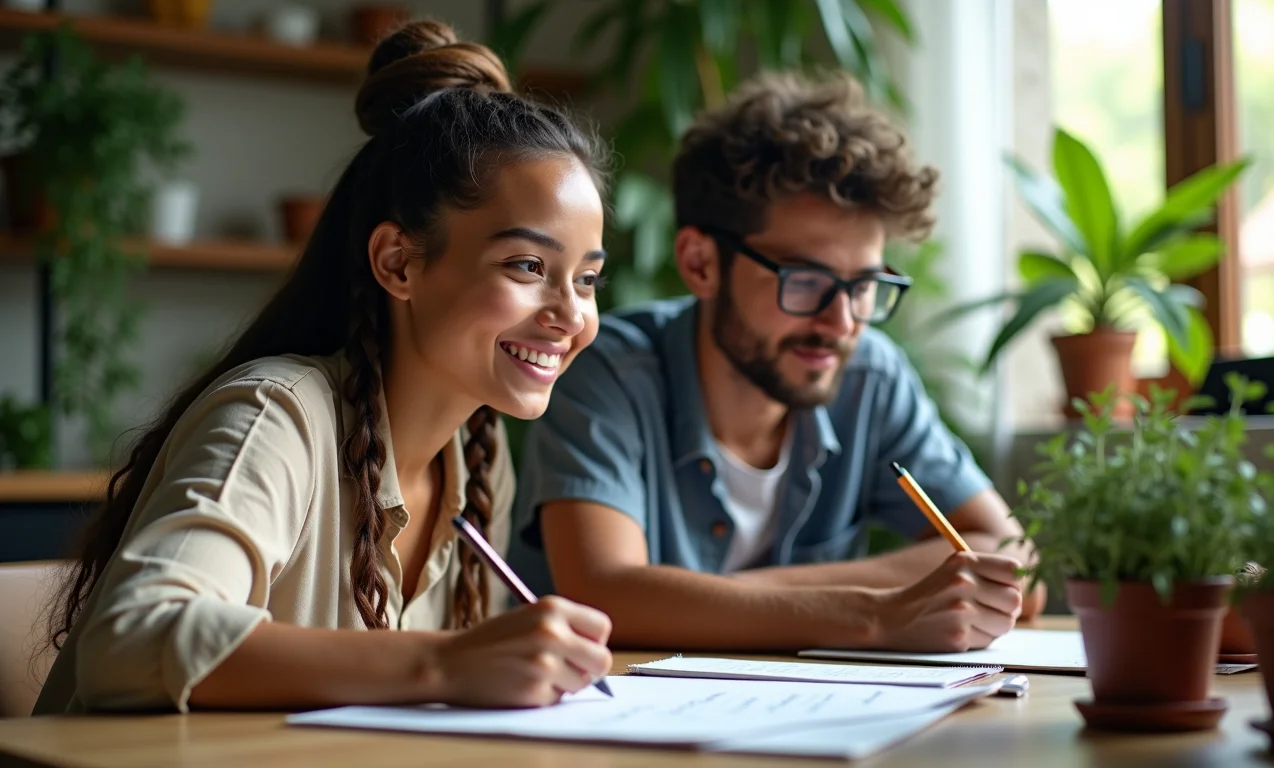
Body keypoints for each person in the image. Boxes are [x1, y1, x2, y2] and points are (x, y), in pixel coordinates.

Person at [33, 19, 613, 715]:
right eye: (527, 266)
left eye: (585, 279)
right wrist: (444, 662)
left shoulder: (478, 458)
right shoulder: (275, 416)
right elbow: (129, 640)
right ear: (399, 262)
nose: (571, 314)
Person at [508, 70, 1045, 652]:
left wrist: (714, 597)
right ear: (701, 263)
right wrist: (873, 613)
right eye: (806, 279)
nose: (841, 323)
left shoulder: (870, 378)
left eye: (863, 284)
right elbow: (605, 597)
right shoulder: (610, 372)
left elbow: (1011, 563)